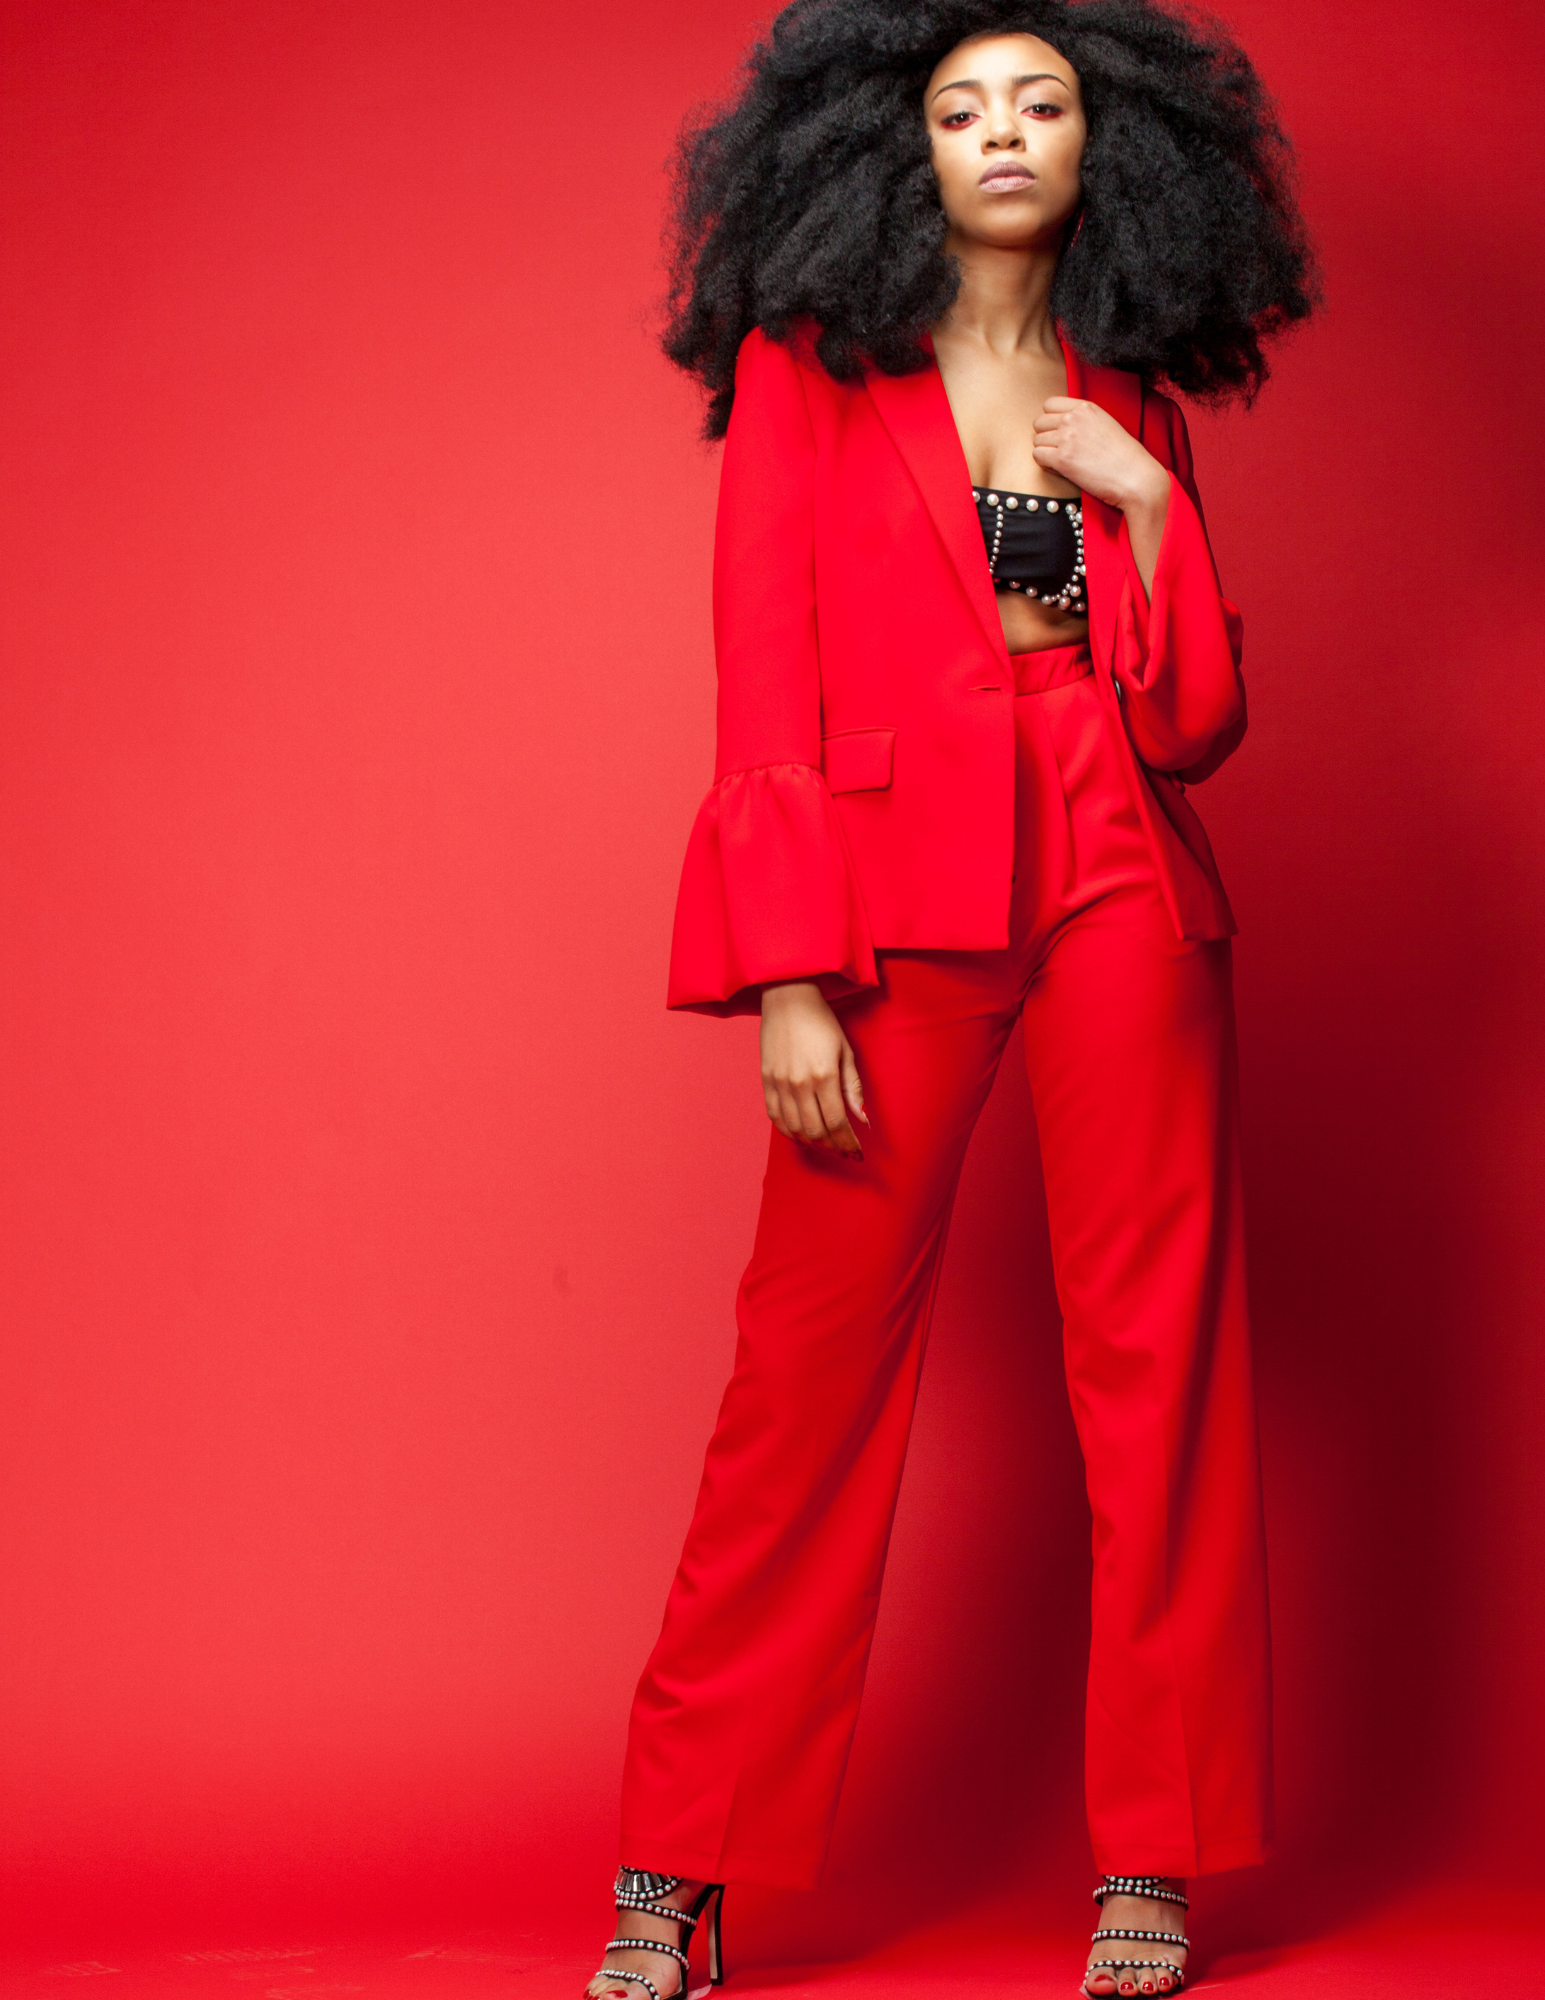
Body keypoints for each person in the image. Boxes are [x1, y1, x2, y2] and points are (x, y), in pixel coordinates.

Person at [587, 3, 1313, 1994]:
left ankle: (1153, 1857)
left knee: (1158, 1368)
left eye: (1041, 102)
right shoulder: (810, 363)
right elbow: (764, 673)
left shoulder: (1119, 382)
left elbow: (1190, 718)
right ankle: (681, 1859)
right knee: (803, 1380)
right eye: (961, 104)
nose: (1002, 132)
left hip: (1115, 864)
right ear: (890, 147)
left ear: (1105, 148)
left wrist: (1149, 501)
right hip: (890, 898)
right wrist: (788, 978)